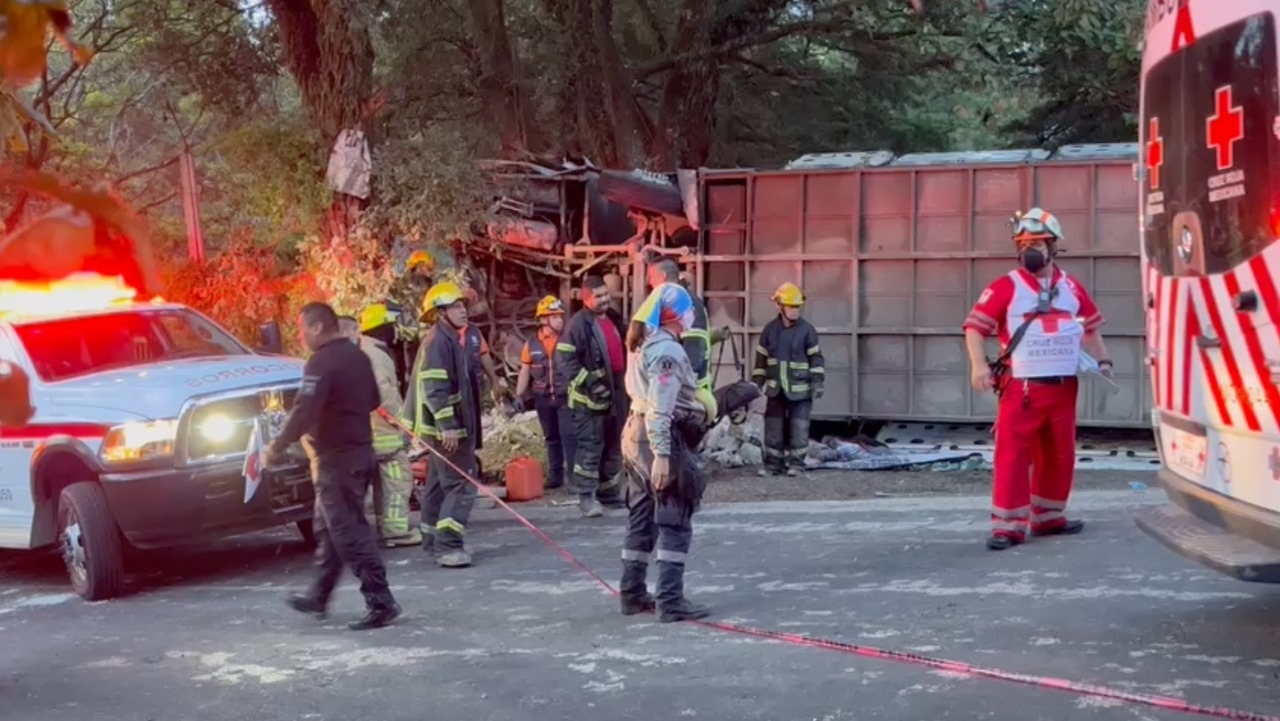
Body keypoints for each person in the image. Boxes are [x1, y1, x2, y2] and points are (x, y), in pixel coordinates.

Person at [963, 207, 1112, 551]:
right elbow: (974, 327)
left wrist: (1103, 360)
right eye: (1024, 242)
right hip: (1021, 387)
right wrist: (978, 366)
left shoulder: (1070, 286)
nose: (1030, 249)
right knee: (1013, 454)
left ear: (1054, 245)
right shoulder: (1005, 287)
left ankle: (1048, 517)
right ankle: (1008, 526)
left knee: (1059, 453)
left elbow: (1090, 326)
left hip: (1062, 386)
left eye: (1039, 242)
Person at [267, 302, 399, 630]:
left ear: (316, 327)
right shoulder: (358, 356)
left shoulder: (320, 362)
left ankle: (380, 601)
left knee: (348, 531)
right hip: (361, 454)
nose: (300, 336)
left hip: (337, 461)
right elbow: (372, 401)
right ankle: (319, 595)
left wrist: (278, 446)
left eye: (301, 329)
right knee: (329, 529)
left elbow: (304, 409)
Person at [619, 282, 712, 623]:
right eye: (688, 310)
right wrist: (661, 455)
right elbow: (661, 409)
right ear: (676, 315)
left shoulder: (643, 343)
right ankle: (670, 601)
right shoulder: (669, 353)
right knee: (674, 515)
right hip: (655, 436)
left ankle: (631, 594)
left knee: (642, 514)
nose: (692, 315)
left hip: (633, 432)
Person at [402, 281, 482, 567]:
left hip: (439, 430)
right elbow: (435, 388)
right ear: (439, 313)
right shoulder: (439, 341)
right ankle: (449, 546)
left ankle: (433, 540)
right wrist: (447, 425)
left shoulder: (447, 338)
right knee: (461, 483)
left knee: (437, 485)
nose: (463, 311)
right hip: (446, 431)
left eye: (463, 305)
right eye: (455, 306)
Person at [342, 311, 422, 548]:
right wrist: (404, 422)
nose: (395, 331)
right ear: (381, 327)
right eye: (391, 325)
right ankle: (396, 531)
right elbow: (384, 392)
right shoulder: (376, 355)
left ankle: (383, 528)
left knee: (379, 484)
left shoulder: (360, 352)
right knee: (397, 481)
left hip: (364, 433)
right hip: (383, 431)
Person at [556, 275, 627, 517]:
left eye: (606, 294)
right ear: (586, 298)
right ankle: (586, 497)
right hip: (590, 399)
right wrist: (591, 383)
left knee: (614, 444)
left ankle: (608, 493)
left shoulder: (615, 319)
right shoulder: (577, 325)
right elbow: (565, 361)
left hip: (617, 391)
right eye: (598, 296)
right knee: (591, 447)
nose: (605, 299)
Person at [751, 282, 825, 477]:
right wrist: (756, 385)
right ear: (779, 306)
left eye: (797, 306)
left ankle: (797, 465)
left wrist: (818, 381)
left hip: (800, 390)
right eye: (792, 306)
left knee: (799, 428)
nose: (795, 310)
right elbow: (761, 362)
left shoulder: (807, 330)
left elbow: (816, 358)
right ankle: (772, 465)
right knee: (773, 429)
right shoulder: (769, 330)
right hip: (776, 390)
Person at [515, 295, 569, 490]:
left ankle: (574, 479)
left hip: (566, 397)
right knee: (551, 438)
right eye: (555, 317)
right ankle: (556, 478)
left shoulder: (568, 339)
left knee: (569, 436)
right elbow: (525, 370)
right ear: (544, 319)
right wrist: (519, 395)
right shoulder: (531, 344)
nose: (560, 321)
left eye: (561, 317)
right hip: (543, 399)